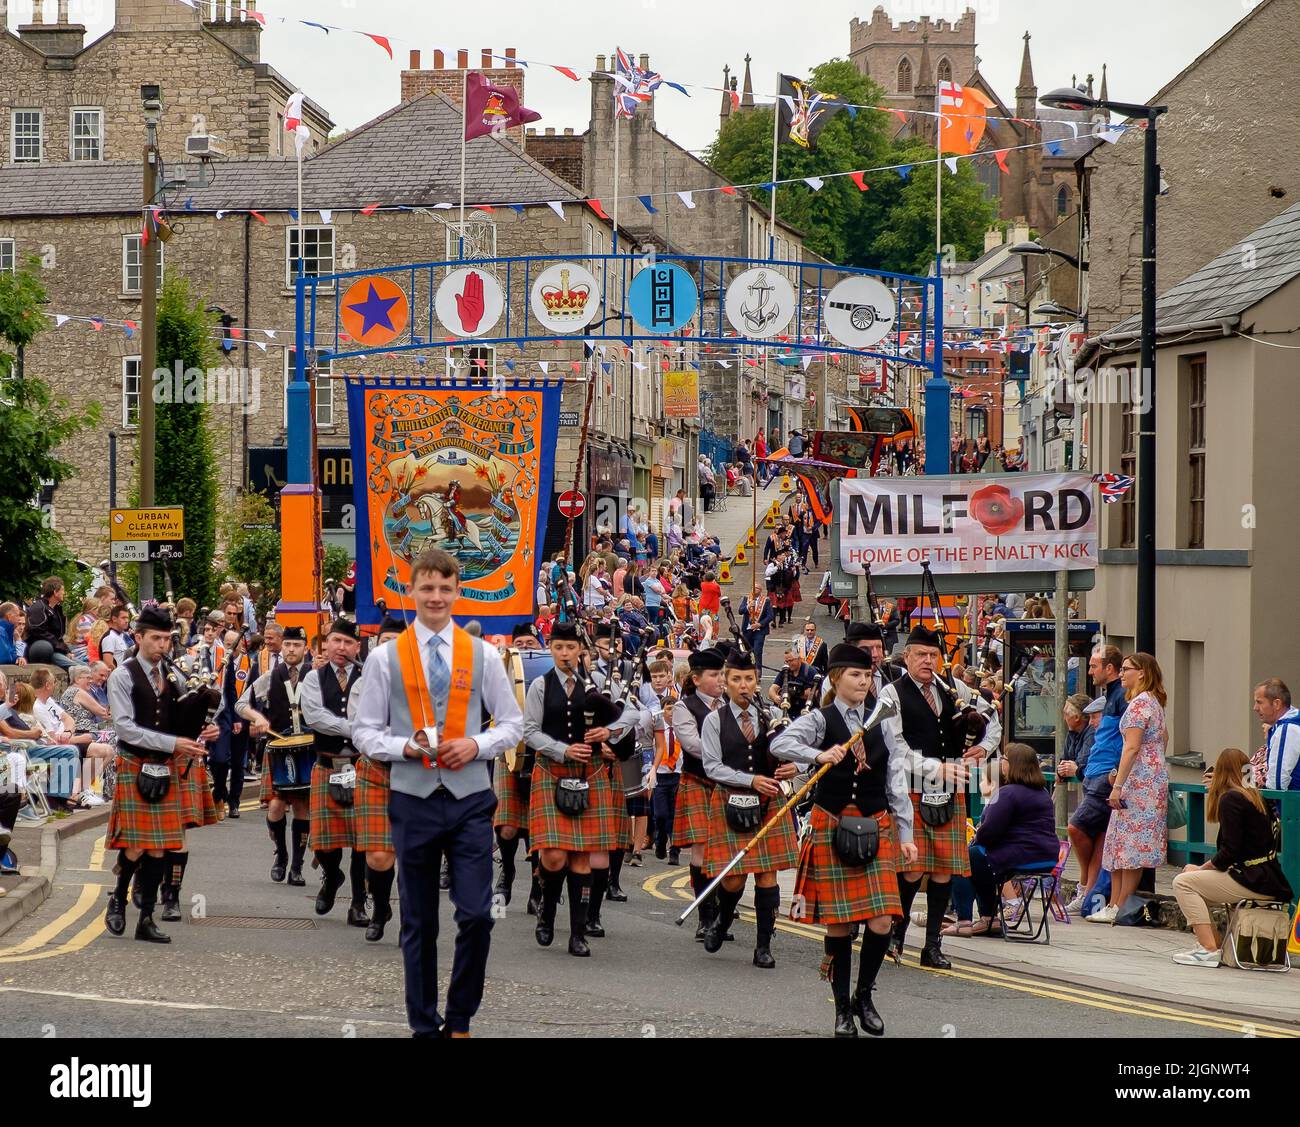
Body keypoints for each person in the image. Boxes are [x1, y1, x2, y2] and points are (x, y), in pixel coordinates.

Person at [353, 548, 523, 1036]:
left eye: (445, 589)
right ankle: (424, 1026)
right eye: (426, 588)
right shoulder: (385, 658)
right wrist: (404, 746)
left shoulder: (484, 654)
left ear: (457, 592)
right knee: (420, 922)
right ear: (412, 591)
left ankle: (461, 1017)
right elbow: (364, 733)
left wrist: (476, 742)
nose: (436, 597)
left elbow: (512, 724)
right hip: (413, 798)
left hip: (471, 798)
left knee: (476, 915)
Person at [773, 644, 915, 1036]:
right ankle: (841, 1011)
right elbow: (780, 744)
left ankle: (864, 996)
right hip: (832, 824)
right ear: (836, 678)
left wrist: (906, 833)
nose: (863, 682)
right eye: (855, 675)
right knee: (838, 925)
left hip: (876, 824)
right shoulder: (821, 719)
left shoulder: (882, 718)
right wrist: (817, 755)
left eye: (867, 676)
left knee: (883, 919)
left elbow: (895, 778)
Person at [103, 606, 219, 943]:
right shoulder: (122, 675)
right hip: (136, 763)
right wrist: (174, 742)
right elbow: (125, 729)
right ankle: (118, 898)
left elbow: (188, 710)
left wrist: (204, 728)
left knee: (158, 848)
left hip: (165, 767)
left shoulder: (174, 673)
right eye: (155, 638)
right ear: (138, 638)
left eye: (167, 639)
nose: (162, 645)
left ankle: (146, 918)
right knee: (137, 846)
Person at [522, 621, 635, 958]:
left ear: (580, 651)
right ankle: (547, 914)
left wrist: (610, 732)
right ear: (551, 650)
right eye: (558, 648)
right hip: (551, 770)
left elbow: (633, 716)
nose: (565, 654)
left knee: (583, 858)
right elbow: (529, 731)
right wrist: (563, 749)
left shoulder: (597, 684)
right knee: (554, 856)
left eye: (570, 648)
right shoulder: (540, 686)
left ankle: (576, 933)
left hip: (591, 774)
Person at [876, 625, 985, 969]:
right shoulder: (891, 695)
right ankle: (897, 929)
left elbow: (990, 721)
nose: (928, 661)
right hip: (910, 787)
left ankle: (932, 946)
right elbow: (896, 746)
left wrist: (981, 747)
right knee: (911, 869)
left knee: (943, 871)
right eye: (921, 654)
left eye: (933, 655)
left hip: (949, 790)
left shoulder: (953, 689)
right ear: (906, 656)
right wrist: (935, 768)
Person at [699, 649, 800, 967]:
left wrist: (794, 766)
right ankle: (722, 921)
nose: (743, 685)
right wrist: (751, 779)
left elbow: (797, 750)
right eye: (736, 679)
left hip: (768, 802)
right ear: (725, 682)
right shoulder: (715, 721)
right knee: (733, 880)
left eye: (749, 679)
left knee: (766, 876)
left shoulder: (774, 717)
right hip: (731, 799)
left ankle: (763, 947)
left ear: (757, 682)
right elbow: (712, 767)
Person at [1170, 748, 1294, 967]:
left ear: (1222, 772)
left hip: (1251, 880)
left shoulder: (1231, 799)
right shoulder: (1258, 799)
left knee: (1184, 883)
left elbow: (1230, 852)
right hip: (1269, 878)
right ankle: (1214, 946)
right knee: (1197, 892)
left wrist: (1199, 869)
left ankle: (1208, 949)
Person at [1088, 652, 1169, 924]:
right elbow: (1163, 739)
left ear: (1142, 673)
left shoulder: (1139, 705)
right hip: (1149, 779)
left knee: (1129, 846)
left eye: (1126, 669)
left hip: (1138, 784)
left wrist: (1118, 783)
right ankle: (1114, 904)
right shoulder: (1153, 703)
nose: (1121, 673)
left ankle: (1118, 905)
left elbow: (1132, 747)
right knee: (1121, 844)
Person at [947, 743, 1060, 937]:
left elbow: (990, 830)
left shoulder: (1007, 792)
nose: (1001, 763)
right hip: (1047, 857)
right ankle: (989, 920)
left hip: (1020, 856)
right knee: (981, 861)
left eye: (1004, 760)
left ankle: (964, 921)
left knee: (964, 858)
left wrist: (976, 840)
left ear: (1014, 764)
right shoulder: (1042, 793)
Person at [298, 619, 368, 926]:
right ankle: (331, 875)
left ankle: (358, 904)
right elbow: (315, 717)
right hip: (327, 764)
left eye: (348, 643)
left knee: (362, 843)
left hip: (361, 766)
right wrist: (358, 729)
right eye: (336, 641)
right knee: (324, 842)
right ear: (326, 644)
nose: (341, 648)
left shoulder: (370, 678)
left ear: (357, 647)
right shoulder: (314, 678)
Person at [236, 626, 314, 884]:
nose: (291, 649)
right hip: (278, 747)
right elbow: (240, 704)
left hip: (307, 747)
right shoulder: (271, 676)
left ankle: (297, 866)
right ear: (282, 647)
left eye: (297, 645)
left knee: (302, 806)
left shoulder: (316, 675)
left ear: (305, 648)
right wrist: (257, 717)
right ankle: (280, 854)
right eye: (288, 645)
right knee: (276, 805)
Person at [672, 647, 730, 941]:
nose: (721, 679)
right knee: (702, 849)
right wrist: (729, 748)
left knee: (727, 851)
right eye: (715, 675)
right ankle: (705, 917)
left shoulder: (732, 703)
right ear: (696, 679)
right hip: (698, 781)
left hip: (729, 786)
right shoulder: (686, 707)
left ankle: (721, 914)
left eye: (722, 673)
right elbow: (692, 744)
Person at [1066, 645, 1126, 915]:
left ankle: (1084, 886)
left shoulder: (1122, 697)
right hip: (1096, 775)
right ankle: (1088, 893)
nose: (1089, 671)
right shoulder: (1111, 695)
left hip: (1105, 777)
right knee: (1100, 837)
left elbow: (1134, 739)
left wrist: (1116, 773)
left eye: (1093, 666)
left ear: (1108, 668)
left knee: (1076, 828)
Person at [644, 657, 681, 863]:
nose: (657, 680)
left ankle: (674, 850)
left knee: (676, 815)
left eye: (661, 676)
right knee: (660, 814)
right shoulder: (650, 709)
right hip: (659, 774)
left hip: (678, 773)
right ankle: (659, 839)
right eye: (654, 677)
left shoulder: (681, 723)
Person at [1253, 679, 1300, 792]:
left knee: (1230, 799)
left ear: (1277, 704)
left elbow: (1276, 784)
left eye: (1259, 702)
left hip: (1291, 807)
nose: (1255, 708)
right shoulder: (1290, 726)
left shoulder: (1287, 729)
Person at [24, 577, 75, 670]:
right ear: (55, 592)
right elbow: (38, 631)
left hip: (55, 649)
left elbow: (58, 636)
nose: (64, 593)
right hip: (43, 650)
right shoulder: (39, 608)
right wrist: (62, 648)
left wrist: (67, 650)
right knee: (79, 668)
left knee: (85, 666)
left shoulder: (56, 610)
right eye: (62, 590)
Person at [770, 644, 819, 721]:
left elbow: (813, 693)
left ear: (799, 659)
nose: (788, 664)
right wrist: (776, 698)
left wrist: (793, 693)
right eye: (786, 661)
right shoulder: (785, 670)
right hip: (787, 711)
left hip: (804, 712)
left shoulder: (810, 671)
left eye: (791, 660)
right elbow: (772, 689)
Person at [739, 587, 775, 670]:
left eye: (757, 588)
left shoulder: (766, 601)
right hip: (747, 630)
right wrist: (748, 606)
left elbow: (770, 616)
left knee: (757, 652)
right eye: (753, 588)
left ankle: (757, 672)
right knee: (747, 651)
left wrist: (760, 624)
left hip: (759, 631)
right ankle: (748, 670)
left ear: (760, 590)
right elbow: (740, 611)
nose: (754, 589)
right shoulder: (746, 599)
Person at [99, 605, 132, 671]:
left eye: (127, 618)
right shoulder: (109, 637)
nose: (126, 621)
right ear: (114, 619)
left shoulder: (124, 635)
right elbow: (108, 665)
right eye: (123, 618)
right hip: (118, 677)